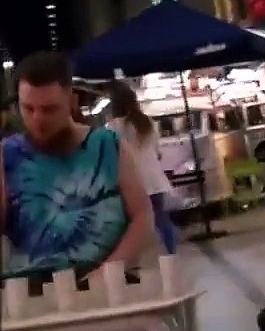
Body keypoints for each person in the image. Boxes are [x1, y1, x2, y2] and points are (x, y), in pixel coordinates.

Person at [1, 52, 153, 275]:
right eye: (28, 108)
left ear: (71, 100)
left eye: (49, 109)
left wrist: (109, 272)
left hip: (111, 285)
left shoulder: (107, 145)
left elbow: (143, 217)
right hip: (34, 293)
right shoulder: (8, 154)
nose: (37, 120)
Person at [107, 83, 179, 256]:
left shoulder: (112, 128)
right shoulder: (147, 122)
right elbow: (157, 152)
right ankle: (171, 253)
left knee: (129, 223)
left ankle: (130, 258)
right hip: (154, 178)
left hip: (133, 181)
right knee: (161, 218)